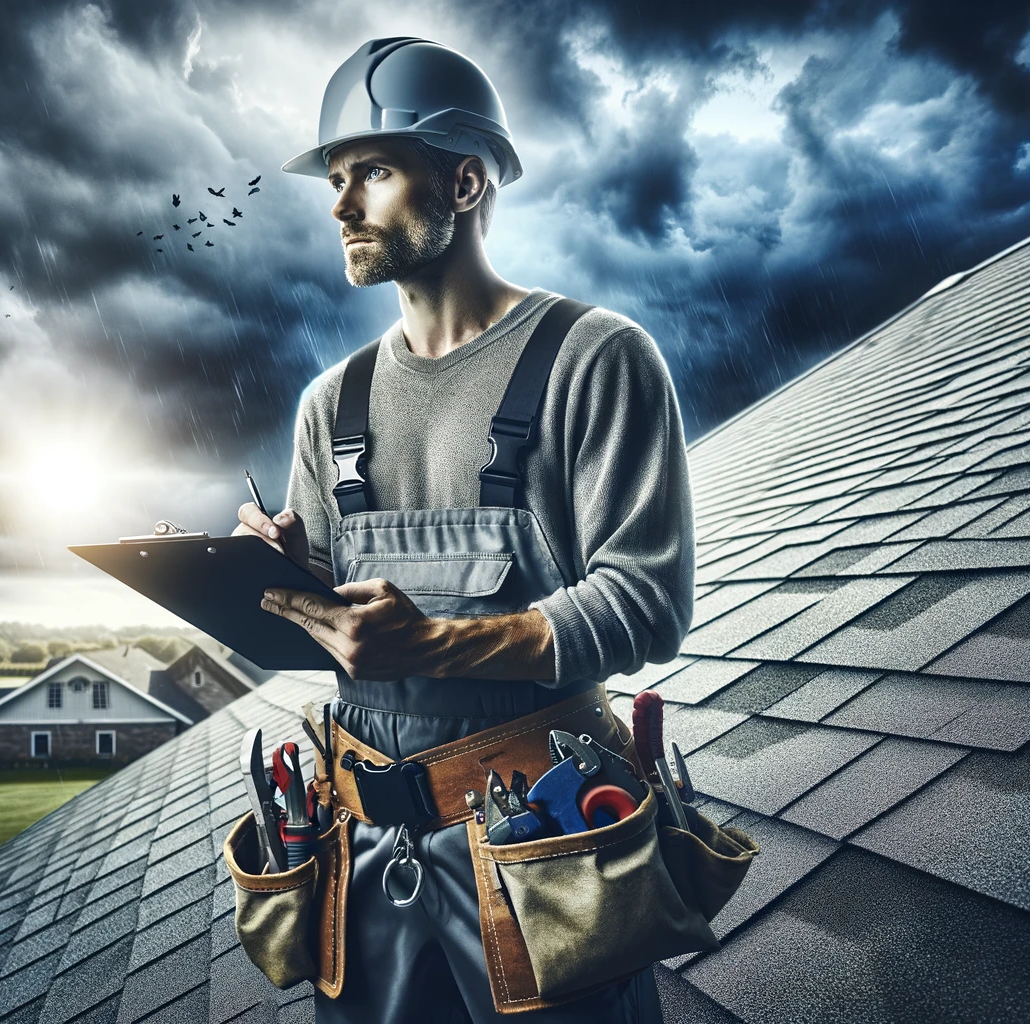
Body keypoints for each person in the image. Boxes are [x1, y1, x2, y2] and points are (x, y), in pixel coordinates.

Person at [234, 37, 693, 1024]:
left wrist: (441, 642)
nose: (340, 204)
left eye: (375, 172)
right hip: (360, 862)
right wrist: (281, 573)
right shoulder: (330, 405)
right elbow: (340, 622)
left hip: (540, 855)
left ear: (467, 179)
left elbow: (648, 603)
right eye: (337, 178)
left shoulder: (595, 359)